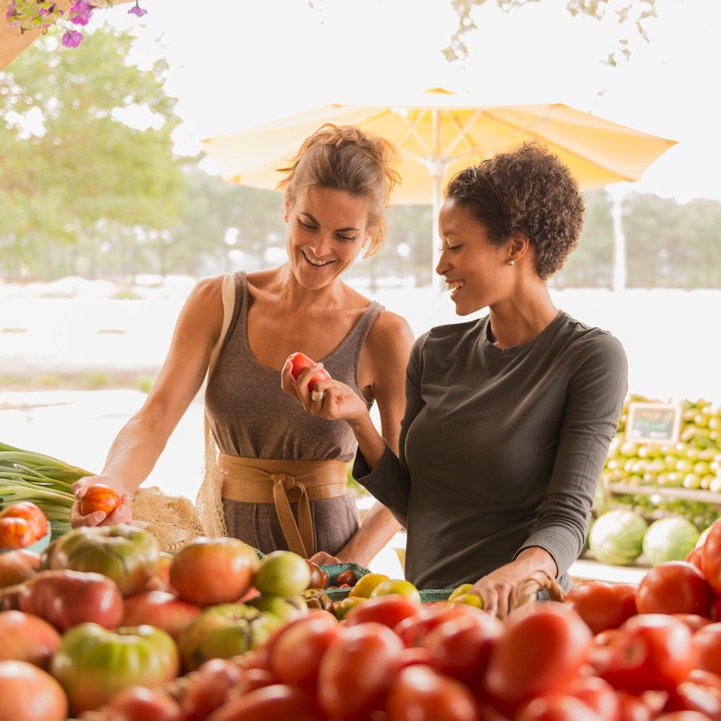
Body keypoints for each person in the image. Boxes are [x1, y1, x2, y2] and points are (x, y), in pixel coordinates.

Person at [285, 142, 629, 617]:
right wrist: (358, 421)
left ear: (514, 247)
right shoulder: (434, 350)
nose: (441, 265)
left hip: (515, 618)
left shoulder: (589, 357)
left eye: (455, 246)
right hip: (423, 613)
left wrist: (522, 570)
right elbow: (415, 505)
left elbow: (568, 517)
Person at [71, 124, 414, 568]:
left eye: (344, 236)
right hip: (219, 552)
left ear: (369, 235)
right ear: (287, 206)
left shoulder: (384, 334)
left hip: (326, 559)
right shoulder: (219, 302)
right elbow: (154, 419)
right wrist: (115, 482)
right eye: (308, 224)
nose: (319, 248)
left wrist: (344, 566)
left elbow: (405, 485)